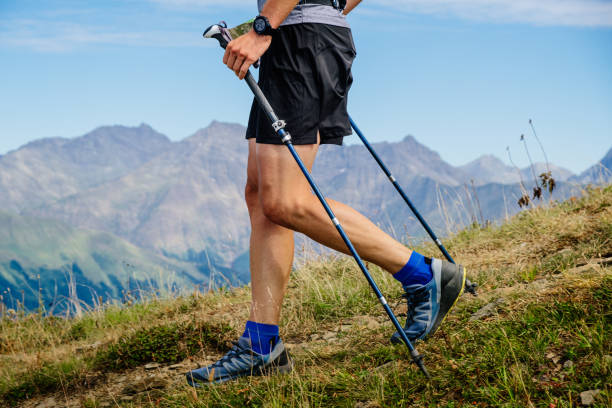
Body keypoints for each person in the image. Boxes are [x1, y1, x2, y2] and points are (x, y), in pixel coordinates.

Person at [186, 0, 466, 386]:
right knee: (261, 197)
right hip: (298, 40)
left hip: (300, 43)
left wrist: (265, 26)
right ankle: (261, 344)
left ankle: (423, 275)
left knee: (287, 199)